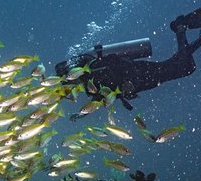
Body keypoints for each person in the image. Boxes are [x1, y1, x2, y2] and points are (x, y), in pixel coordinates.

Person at [56, 8, 201, 111]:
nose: (72, 86)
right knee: (182, 66)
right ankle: (183, 30)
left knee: (183, 68)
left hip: (139, 74)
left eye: (69, 82)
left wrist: (127, 82)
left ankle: (181, 27)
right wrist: (82, 114)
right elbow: (104, 95)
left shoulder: (92, 68)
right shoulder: (89, 83)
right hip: (140, 79)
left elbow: (114, 64)